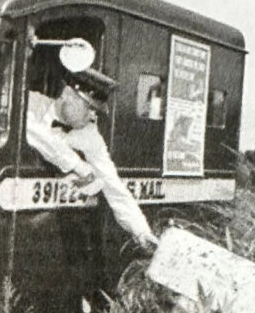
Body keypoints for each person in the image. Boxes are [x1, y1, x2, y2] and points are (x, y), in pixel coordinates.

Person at [26, 67, 157, 247]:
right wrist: (78, 165)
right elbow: (34, 131)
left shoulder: (89, 132)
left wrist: (142, 231)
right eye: (89, 107)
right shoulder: (29, 102)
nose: (93, 115)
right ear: (67, 94)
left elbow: (114, 185)